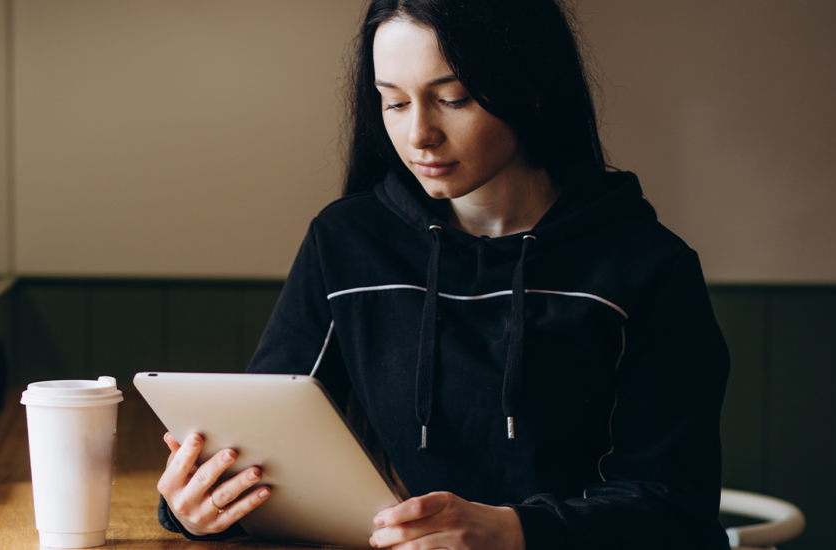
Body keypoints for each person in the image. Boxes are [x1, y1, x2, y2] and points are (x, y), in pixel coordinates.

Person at [155, 0, 731, 548]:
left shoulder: (649, 267)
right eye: (394, 102)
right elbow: (264, 440)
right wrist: (197, 505)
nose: (418, 135)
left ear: (530, 91)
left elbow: (676, 507)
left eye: (452, 99)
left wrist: (514, 533)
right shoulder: (348, 241)